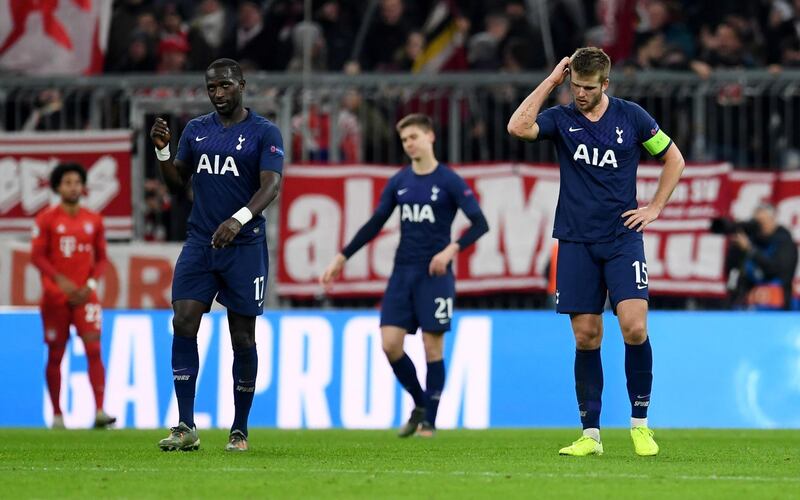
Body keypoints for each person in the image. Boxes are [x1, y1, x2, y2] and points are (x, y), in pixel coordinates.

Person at [507, 47, 686, 456]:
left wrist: (655, 208)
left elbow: (673, 158)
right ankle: (591, 435)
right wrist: (552, 80)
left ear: (606, 84)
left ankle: (640, 426)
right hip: (575, 241)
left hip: (622, 238)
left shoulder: (632, 117)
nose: (580, 94)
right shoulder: (561, 118)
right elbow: (518, 127)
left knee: (634, 326)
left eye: (588, 88)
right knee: (587, 336)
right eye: (575, 86)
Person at [320, 113, 489, 437]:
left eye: (414, 137)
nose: (409, 144)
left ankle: (430, 421)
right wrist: (342, 256)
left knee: (432, 347)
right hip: (403, 272)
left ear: (430, 137)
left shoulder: (449, 180)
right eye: (404, 140)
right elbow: (375, 223)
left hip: (435, 275)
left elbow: (480, 223)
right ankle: (420, 401)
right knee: (390, 344)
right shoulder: (399, 181)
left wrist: (450, 250)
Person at [149, 58, 284, 452]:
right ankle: (185, 425)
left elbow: (271, 185)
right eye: (212, 88)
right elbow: (177, 186)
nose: (219, 94)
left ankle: (239, 428)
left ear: (241, 85)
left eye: (225, 86)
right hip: (201, 242)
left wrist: (238, 220)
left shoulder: (264, 132)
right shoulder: (196, 130)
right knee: (183, 319)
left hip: (243, 246)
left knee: (242, 336)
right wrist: (162, 153)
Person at [31, 163, 116, 430]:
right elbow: (37, 256)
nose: (73, 187)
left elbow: (101, 259)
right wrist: (59, 282)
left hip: (85, 296)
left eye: (77, 182)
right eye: (67, 182)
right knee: (56, 354)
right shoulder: (46, 219)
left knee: (93, 349)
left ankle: (100, 411)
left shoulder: (94, 220)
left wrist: (90, 284)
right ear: (57, 187)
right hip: (55, 298)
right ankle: (57, 415)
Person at [725, 203, 798, 310]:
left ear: (772, 220)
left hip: (776, 308)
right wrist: (736, 248)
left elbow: (778, 270)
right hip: (747, 306)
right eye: (756, 222)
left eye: (762, 222)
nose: (759, 226)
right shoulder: (749, 241)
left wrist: (750, 250)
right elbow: (732, 273)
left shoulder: (784, 242)